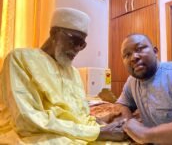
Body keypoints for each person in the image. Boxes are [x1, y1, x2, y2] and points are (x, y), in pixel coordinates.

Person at [0, 8, 127, 145]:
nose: (77, 49)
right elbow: (26, 119)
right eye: (75, 40)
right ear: (54, 34)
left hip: (75, 133)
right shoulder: (19, 59)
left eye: (82, 44)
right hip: (34, 133)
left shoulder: (73, 72)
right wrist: (98, 132)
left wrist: (102, 122)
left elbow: (80, 115)